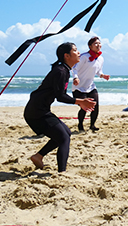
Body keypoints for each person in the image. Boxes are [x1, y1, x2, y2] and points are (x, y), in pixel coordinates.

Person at [24, 42, 96, 172]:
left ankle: (38, 156)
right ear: (66, 56)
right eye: (75, 50)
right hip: (36, 112)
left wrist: (80, 101)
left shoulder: (63, 70)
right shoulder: (60, 71)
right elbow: (60, 96)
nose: (79, 52)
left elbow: (58, 94)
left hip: (39, 109)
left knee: (66, 133)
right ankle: (62, 172)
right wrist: (81, 101)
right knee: (63, 137)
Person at [72, 36, 110, 132]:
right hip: (79, 87)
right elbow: (74, 68)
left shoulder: (101, 58)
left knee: (95, 105)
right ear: (90, 46)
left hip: (90, 86)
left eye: (99, 43)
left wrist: (103, 75)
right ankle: (80, 125)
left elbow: (98, 71)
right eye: (95, 44)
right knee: (84, 107)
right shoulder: (84, 57)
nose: (98, 45)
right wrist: (75, 78)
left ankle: (92, 125)